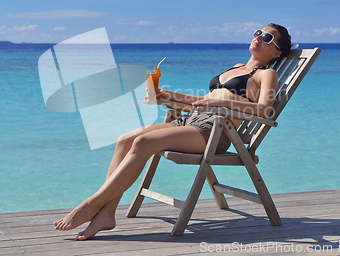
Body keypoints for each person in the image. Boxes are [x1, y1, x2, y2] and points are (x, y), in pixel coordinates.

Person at [53, 23, 292, 240]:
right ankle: (107, 213)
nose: (259, 37)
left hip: (215, 131)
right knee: (125, 139)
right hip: (192, 121)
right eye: (258, 33)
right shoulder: (237, 68)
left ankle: (89, 205)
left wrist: (222, 104)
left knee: (143, 142)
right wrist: (167, 96)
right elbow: (202, 100)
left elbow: (264, 110)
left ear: (277, 52)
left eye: (268, 37)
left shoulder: (265, 74)